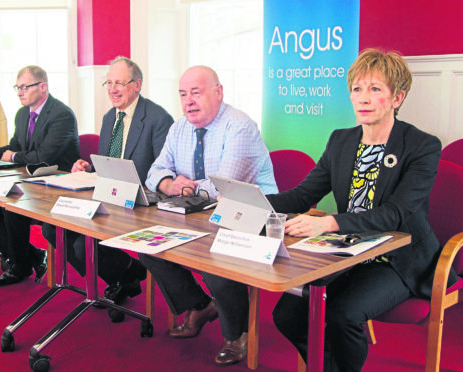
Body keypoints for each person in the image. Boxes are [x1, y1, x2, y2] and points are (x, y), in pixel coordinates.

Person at [267, 49, 459, 371]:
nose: (363, 98)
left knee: (344, 314)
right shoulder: (341, 141)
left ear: (397, 98)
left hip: (397, 257)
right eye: (357, 89)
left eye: (375, 89)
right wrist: (252, 202)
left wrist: (329, 223)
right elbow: (303, 195)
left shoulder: (422, 146)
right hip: (346, 250)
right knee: (287, 314)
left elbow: (396, 214)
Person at [139, 65, 278, 366]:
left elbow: (222, 185)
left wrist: (184, 187)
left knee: (215, 256)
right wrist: (169, 183)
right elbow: (154, 172)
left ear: (219, 92)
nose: (188, 101)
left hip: (251, 215)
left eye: (196, 93)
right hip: (199, 214)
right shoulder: (179, 128)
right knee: (148, 244)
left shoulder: (240, 126)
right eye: (183, 94)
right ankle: (200, 306)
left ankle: (236, 333)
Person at [41, 57, 173, 320]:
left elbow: (164, 171)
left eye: (119, 83)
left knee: (82, 246)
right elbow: (110, 165)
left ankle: (124, 274)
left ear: (137, 85)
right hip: (108, 195)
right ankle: (126, 274)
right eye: (109, 83)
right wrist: (88, 169)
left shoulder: (158, 119)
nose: (113, 89)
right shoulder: (108, 117)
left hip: (141, 203)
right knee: (51, 229)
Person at [0, 65, 79, 287]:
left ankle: (20, 265)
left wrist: (14, 155)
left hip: (58, 184)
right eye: (17, 87)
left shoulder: (61, 115)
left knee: (12, 207)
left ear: (42, 87)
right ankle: (31, 256)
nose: (20, 92)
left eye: (25, 87)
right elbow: (14, 147)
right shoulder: (22, 114)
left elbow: (44, 157)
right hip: (29, 181)